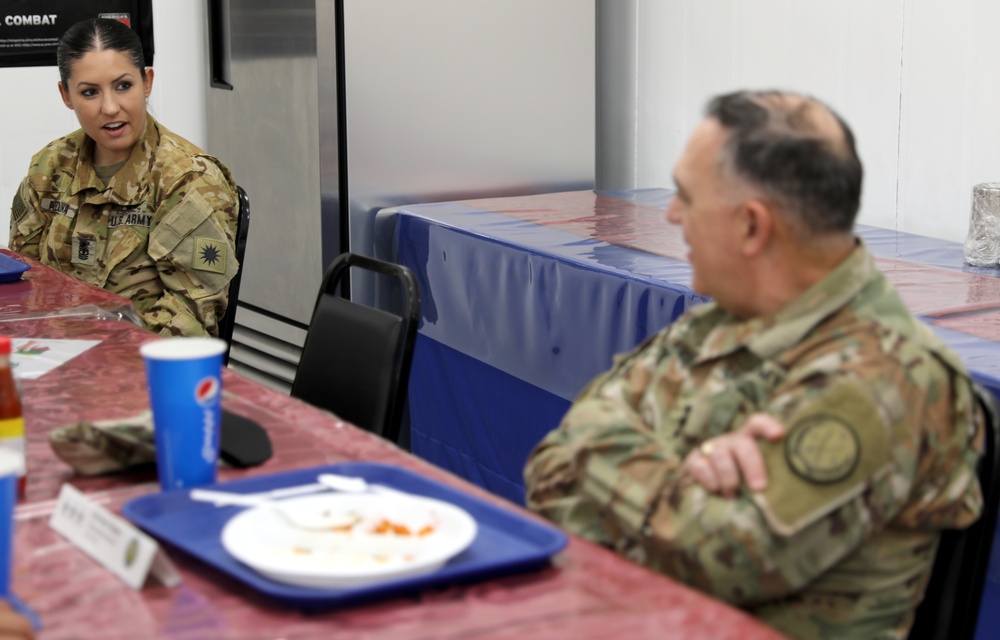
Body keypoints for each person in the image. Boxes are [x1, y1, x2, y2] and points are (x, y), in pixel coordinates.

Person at [524, 90, 984, 639]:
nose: (671, 214)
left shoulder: (885, 377)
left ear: (751, 226)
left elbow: (721, 560)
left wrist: (604, 445)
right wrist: (677, 482)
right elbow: (548, 473)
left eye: (686, 198)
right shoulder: (716, 325)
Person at [8, 18, 239, 338]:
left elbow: (192, 319)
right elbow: (21, 283)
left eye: (123, 86)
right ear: (66, 95)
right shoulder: (50, 167)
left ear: (147, 82)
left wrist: (96, 356)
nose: (110, 107)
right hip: (51, 352)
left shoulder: (186, 179)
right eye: (89, 92)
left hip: (138, 364)